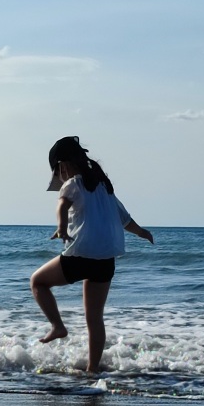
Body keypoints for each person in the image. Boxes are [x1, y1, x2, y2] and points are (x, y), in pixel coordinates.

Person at [30, 136, 153, 373]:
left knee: (38, 281)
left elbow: (62, 205)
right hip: (105, 261)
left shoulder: (72, 184)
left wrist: (61, 227)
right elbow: (125, 220)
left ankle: (57, 326)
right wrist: (143, 233)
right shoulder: (105, 188)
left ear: (62, 165)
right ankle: (92, 369)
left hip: (82, 255)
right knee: (94, 319)